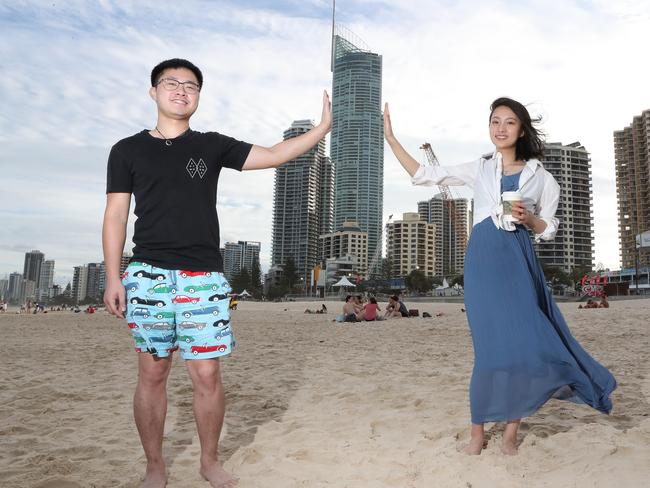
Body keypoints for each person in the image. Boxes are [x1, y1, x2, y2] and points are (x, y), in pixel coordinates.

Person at [102, 58, 331, 488]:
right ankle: (155, 465)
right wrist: (114, 277)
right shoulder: (127, 150)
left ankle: (210, 461)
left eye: (191, 85)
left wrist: (320, 131)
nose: (181, 90)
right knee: (152, 372)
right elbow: (116, 215)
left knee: (206, 373)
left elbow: (273, 155)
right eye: (171, 83)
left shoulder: (211, 145)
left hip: (203, 275)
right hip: (147, 273)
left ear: (198, 97)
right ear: (154, 91)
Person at [384, 97, 616, 456]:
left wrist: (530, 220)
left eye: (509, 122)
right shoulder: (480, 167)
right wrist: (392, 138)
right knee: (489, 352)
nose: (501, 128)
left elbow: (549, 226)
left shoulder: (542, 178)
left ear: (521, 129)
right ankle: (477, 434)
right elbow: (425, 175)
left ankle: (509, 434)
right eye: (495, 121)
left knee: (521, 349)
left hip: (517, 258)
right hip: (482, 260)